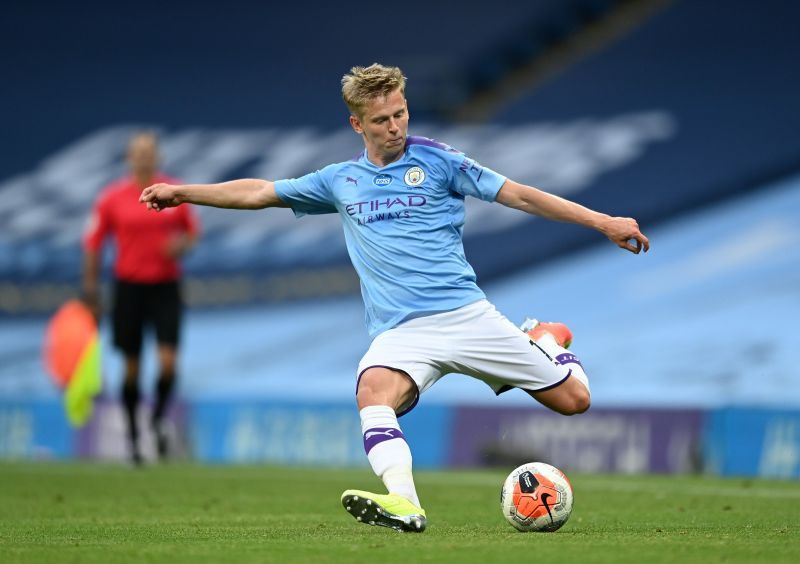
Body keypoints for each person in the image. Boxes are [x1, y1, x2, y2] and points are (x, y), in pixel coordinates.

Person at [140, 64, 648, 529]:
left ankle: (546, 340)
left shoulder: (441, 161)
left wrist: (602, 221)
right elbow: (259, 193)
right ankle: (406, 503)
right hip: (402, 332)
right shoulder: (341, 181)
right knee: (371, 392)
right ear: (357, 125)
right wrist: (185, 191)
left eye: (400, 113)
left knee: (574, 401)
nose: (395, 126)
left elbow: (519, 194)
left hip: (465, 316)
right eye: (381, 119)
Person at [83, 131, 200, 465]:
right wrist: (91, 289)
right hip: (129, 289)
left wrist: (181, 245)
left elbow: (192, 234)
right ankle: (134, 437)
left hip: (165, 287)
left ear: (157, 157)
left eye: (150, 152)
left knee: (168, 363)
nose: (145, 158)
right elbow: (93, 244)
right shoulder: (112, 198)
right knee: (131, 368)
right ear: (129, 159)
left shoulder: (172, 191)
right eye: (139, 153)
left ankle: (158, 418)